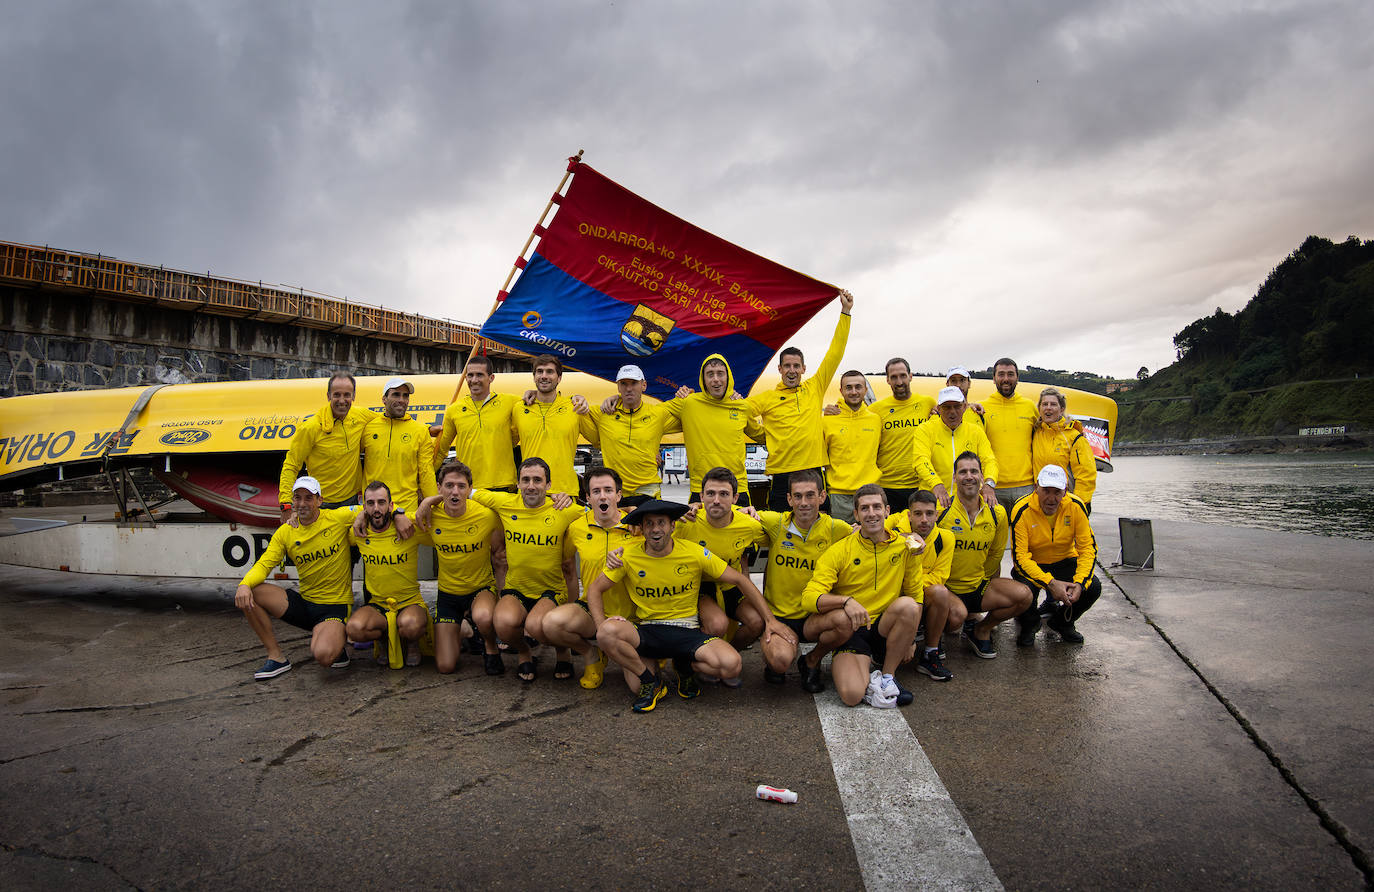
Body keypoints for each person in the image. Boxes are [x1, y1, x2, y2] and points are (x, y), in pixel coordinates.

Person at [588, 500, 786, 713]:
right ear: (642, 529)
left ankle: (684, 667)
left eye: (661, 523)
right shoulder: (626, 555)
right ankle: (649, 682)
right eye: (650, 524)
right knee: (607, 634)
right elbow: (594, 590)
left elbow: (740, 580)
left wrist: (769, 620)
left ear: (672, 526)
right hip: (648, 629)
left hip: (687, 629)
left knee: (731, 665)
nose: (656, 529)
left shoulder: (694, 552)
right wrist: (600, 624)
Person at [799, 484, 924, 708]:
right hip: (852, 629)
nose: (872, 513)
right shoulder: (841, 549)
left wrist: (911, 639)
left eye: (877, 507)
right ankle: (864, 675)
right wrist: (846, 601)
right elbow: (809, 598)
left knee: (909, 606)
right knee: (851, 695)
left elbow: (916, 595)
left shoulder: (906, 546)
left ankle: (887, 678)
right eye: (864, 508)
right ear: (856, 514)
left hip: (884, 626)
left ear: (887, 511)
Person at [465, 457, 581, 681]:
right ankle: (524, 652)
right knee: (503, 623)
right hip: (516, 588)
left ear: (548, 485)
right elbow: (464, 491)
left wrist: (632, 513)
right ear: (517, 484)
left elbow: (601, 514)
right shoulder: (505, 502)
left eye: (537, 480)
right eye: (525, 480)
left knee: (537, 626)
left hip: (550, 591)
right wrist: (424, 503)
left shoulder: (564, 509)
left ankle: (562, 652)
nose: (531, 485)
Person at [234, 476, 357, 679]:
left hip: (335, 606)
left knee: (324, 656)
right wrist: (244, 584)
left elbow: (372, 508)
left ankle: (336, 642)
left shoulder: (337, 517)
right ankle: (276, 657)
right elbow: (265, 564)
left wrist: (364, 517)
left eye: (308, 498)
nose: (302, 503)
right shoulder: (286, 531)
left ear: (319, 500)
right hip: (305, 604)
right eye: (297, 498)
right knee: (252, 592)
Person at [748, 290, 854, 510]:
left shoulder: (814, 387)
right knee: (780, 528)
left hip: (813, 470)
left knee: (819, 526)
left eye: (796, 366)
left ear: (804, 368)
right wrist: (765, 436)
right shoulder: (767, 398)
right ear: (779, 369)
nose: (792, 370)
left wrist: (845, 312)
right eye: (787, 366)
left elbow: (835, 354)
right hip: (781, 473)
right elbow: (739, 414)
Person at [541, 467, 640, 689]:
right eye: (596, 491)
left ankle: (640, 652)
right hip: (591, 610)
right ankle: (591, 655)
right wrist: (571, 602)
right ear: (588, 497)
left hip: (631, 616)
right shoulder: (576, 527)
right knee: (552, 623)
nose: (602, 496)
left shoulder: (637, 525)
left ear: (618, 495)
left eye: (608, 490)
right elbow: (567, 565)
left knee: (638, 686)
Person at [755, 469, 854, 689]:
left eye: (810, 495)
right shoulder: (775, 523)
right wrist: (696, 508)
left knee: (845, 621)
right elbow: (733, 514)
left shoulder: (836, 529)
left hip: (814, 617)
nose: (804, 502)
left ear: (822, 496)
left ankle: (811, 660)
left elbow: (873, 533)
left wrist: (910, 537)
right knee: (780, 662)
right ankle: (775, 658)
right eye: (797, 496)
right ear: (789, 499)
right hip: (780, 617)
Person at [673, 467, 767, 685]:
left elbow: (781, 533)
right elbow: (652, 531)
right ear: (701, 496)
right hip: (700, 587)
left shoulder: (749, 524)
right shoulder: (687, 521)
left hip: (731, 585)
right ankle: (688, 662)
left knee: (757, 622)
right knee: (718, 624)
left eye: (724, 494)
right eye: (710, 494)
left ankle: (725, 658)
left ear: (735, 498)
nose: (716, 500)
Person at [935, 452, 1033, 654]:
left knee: (1024, 596)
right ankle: (933, 638)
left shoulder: (997, 513)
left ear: (982, 477)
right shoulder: (940, 510)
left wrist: (982, 582)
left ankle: (981, 629)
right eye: (962, 472)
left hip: (977, 585)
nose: (968, 476)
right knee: (956, 619)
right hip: (947, 589)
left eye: (974, 471)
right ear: (954, 477)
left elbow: (995, 557)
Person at [423, 460, 504, 675]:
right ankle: (465, 630)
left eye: (461, 486)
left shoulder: (486, 516)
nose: (455, 491)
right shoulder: (429, 516)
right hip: (448, 595)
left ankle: (491, 647)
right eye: (449, 486)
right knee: (445, 666)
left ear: (470, 489)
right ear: (439, 488)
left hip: (480, 589)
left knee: (484, 617)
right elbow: (397, 520)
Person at [1010, 465, 1103, 645]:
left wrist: (1080, 583)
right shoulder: (1021, 509)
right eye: (1046, 491)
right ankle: (1030, 624)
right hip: (1034, 563)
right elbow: (1020, 558)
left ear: (1065, 491)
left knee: (1093, 587)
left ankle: (1063, 622)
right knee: (1022, 591)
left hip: (1064, 560)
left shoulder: (1076, 506)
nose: (1051, 498)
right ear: (1036, 487)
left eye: (1057, 492)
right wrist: (1050, 584)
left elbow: (1088, 548)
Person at [345, 481, 428, 668]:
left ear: (391, 505)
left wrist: (401, 512)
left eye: (382, 503)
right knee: (354, 629)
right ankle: (383, 638)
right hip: (379, 604)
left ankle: (412, 642)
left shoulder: (408, 526)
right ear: (363, 506)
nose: (376, 509)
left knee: (410, 625)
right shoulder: (358, 532)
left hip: (409, 601)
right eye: (371, 503)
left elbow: (440, 521)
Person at [664, 353, 764, 505]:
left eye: (720, 374)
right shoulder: (688, 403)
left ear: (728, 377)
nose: (716, 379)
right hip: (702, 489)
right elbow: (652, 416)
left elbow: (761, 435)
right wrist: (617, 401)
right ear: (703, 379)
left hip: (737, 487)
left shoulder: (742, 406)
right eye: (710, 374)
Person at [277, 371, 373, 519]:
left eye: (347, 395)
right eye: (337, 395)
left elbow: (386, 421)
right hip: (321, 504)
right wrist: (286, 505)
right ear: (328, 396)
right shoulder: (311, 427)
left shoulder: (361, 416)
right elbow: (291, 465)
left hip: (351, 502)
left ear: (353, 396)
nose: (342, 400)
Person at [581, 365, 680, 505]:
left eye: (634, 383)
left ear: (644, 385)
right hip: (615, 491)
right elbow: (576, 408)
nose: (628, 388)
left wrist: (687, 392)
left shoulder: (658, 414)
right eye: (624, 384)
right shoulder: (604, 413)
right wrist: (576, 397)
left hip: (648, 490)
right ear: (618, 387)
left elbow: (691, 411)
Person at [884, 490, 956, 681]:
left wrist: (913, 583)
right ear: (908, 515)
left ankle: (930, 653)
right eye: (918, 514)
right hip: (896, 598)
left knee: (945, 597)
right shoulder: (894, 534)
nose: (924, 519)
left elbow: (940, 577)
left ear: (937, 515)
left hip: (919, 592)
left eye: (929, 513)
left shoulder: (946, 538)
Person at [432, 355, 520, 491]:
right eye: (470, 375)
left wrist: (531, 393)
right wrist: (425, 480)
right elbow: (441, 449)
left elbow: (538, 402)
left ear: (491, 378)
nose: (474, 380)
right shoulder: (454, 409)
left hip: (503, 485)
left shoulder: (511, 402)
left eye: (480, 375)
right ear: (465, 378)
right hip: (467, 485)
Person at [912, 386, 999, 509]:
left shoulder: (976, 431)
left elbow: (989, 460)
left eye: (957, 406)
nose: (952, 412)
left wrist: (989, 484)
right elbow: (920, 460)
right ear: (939, 409)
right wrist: (936, 484)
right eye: (947, 407)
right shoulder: (925, 429)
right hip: (933, 501)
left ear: (964, 407)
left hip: (967, 502)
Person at [363, 377, 437, 516]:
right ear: (384, 399)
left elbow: (426, 472)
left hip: (407, 509)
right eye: (396, 394)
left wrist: (433, 506)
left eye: (405, 396)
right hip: (374, 507)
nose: (402, 400)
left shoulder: (420, 431)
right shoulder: (368, 428)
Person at [516, 354, 589, 497]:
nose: (544, 376)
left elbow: (599, 439)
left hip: (565, 492)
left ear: (559, 378)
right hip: (530, 491)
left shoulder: (575, 407)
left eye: (549, 371)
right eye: (540, 371)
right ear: (534, 376)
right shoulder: (518, 408)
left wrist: (615, 399)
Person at [870, 357, 936, 511]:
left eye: (902, 376)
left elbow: (954, 411)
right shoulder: (875, 409)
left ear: (910, 376)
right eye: (893, 377)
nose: (899, 382)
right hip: (887, 486)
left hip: (920, 484)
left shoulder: (928, 403)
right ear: (887, 380)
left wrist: (972, 406)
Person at [821, 370, 881, 523]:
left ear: (865, 390)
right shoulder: (827, 421)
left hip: (870, 493)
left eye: (858, 387)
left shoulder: (876, 419)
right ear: (841, 391)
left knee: (871, 542)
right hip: (839, 497)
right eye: (848, 387)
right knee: (842, 542)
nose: (853, 392)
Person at [982, 358, 1038, 513]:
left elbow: (1046, 433)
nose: (1006, 379)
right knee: (995, 536)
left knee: (1025, 536)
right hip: (994, 487)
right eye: (1001, 374)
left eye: (1010, 374)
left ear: (1017, 378)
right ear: (993, 379)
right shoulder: (983, 408)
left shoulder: (1030, 407)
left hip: (1026, 486)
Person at [1031, 386, 1098, 513]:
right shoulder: (1035, 433)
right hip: (1041, 502)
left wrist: (1080, 503)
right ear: (1039, 409)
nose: (1048, 407)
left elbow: (1086, 474)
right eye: (1044, 404)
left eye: (1053, 404)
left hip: (1067, 502)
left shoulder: (1074, 436)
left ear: (1061, 409)